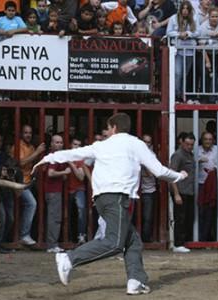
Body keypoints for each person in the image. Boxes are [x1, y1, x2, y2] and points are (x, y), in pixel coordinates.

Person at [33, 113, 187, 295]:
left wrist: (47, 158)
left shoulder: (101, 145)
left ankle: (136, 281)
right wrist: (179, 176)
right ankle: (69, 258)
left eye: (107, 128)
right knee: (114, 242)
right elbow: (158, 171)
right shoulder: (136, 144)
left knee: (132, 241)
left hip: (101, 199)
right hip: (118, 198)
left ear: (113, 127)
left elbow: (75, 153)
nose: (107, 131)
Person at [18, 124, 46, 246]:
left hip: (30, 181)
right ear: (21, 134)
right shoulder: (18, 145)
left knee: (40, 203)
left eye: (29, 133)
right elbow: (21, 163)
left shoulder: (31, 147)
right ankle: (24, 235)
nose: (28, 135)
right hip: (20, 183)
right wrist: (37, 152)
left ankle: (37, 235)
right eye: (25, 132)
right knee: (31, 203)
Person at [167, 0, 199, 101]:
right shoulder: (173, 18)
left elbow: (198, 32)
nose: (185, 11)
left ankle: (183, 95)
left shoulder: (195, 18)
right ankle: (176, 95)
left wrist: (188, 34)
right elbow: (168, 32)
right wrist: (179, 34)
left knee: (185, 75)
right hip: (178, 50)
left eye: (187, 9)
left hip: (190, 50)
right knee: (178, 73)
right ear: (180, 9)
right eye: (183, 8)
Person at [169, 132, 196, 253]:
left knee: (187, 217)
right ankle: (178, 243)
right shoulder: (178, 155)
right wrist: (176, 193)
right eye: (187, 144)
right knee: (180, 217)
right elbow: (171, 175)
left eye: (191, 144)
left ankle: (183, 242)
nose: (189, 146)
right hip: (181, 191)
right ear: (182, 142)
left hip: (189, 191)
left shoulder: (190, 155)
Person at [45, 135, 70, 253]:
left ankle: (52, 244)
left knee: (54, 217)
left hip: (54, 190)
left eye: (61, 142)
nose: (59, 145)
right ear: (51, 144)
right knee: (54, 218)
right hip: (53, 190)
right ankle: (52, 245)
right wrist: (64, 172)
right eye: (56, 142)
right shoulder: (55, 157)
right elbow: (50, 173)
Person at [197, 132, 217, 241]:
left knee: (210, 212)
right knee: (200, 212)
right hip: (199, 184)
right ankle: (199, 238)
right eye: (206, 139)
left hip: (213, 185)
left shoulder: (217, 150)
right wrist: (198, 161)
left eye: (210, 139)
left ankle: (207, 238)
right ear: (202, 140)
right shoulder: (197, 150)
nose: (208, 141)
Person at [67, 138, 89, 244]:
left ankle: (81, 236)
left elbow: (81, 177)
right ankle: (68, 238)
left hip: (79, 189)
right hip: (67, 190)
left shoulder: (80, 159)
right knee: (68, 214)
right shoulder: (64, 156)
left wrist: (71, 164)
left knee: (81, 211)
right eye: (75, 144)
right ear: (70, 145)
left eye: (79, 145)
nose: (77, 147)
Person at [139, 134, 157, 242]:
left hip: (148, 190)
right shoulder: (134, 154)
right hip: (134, 190)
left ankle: (145, 241)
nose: (146, 144)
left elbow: (151, 174)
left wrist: (144, 163)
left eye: (148, 142)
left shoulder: (152, 156)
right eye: (144, 141)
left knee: (147, 217)